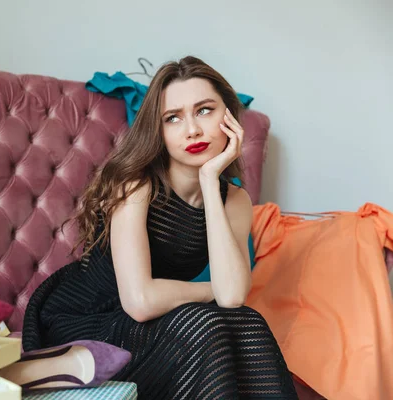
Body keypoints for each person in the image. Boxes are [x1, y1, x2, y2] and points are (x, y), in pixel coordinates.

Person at [21, 56, 298, 399]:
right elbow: (140, 301)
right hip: (88, 320)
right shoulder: (136, 186)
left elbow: (233, 297)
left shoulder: (234, 200)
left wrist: (210, 181)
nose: (192, 130)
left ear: (229, 116)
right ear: (159, 130)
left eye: (205, 110)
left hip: (153, 322)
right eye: (173, 118)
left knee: (250, 324)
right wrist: (210, 291)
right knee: (207, 325)